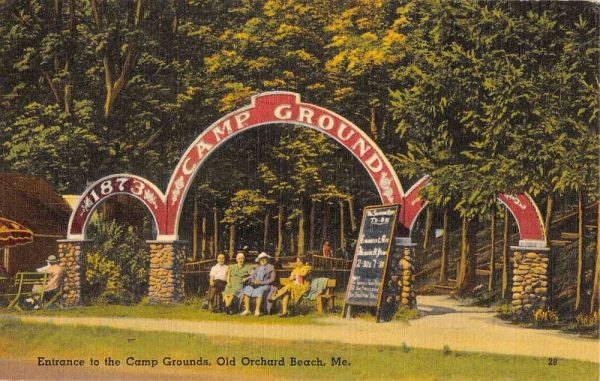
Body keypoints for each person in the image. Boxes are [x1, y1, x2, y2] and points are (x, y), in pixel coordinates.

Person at [241, 252, 275, 316]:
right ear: (259, 260)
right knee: (247, 288)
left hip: (266, 285)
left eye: (264, 258)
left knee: (260, 290)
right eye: (261, 259)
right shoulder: (257, 268)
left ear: (267, 259)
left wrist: (261, 282)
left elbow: (272, 279)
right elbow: (253, 276)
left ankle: (257, 310)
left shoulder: (271, 267)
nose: (262, 260)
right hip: (256, 285)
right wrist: (253, 280)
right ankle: (247, 310)